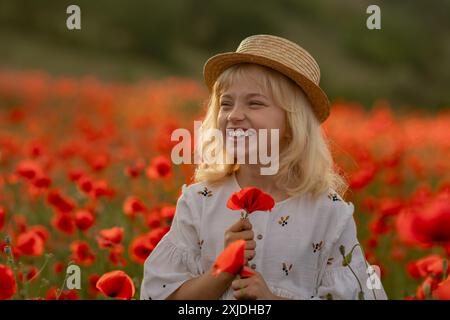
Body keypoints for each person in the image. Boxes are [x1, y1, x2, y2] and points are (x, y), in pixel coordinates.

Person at [140, 34, 388, 300]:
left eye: (255, 103)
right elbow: (161, 295)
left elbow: (358, 296)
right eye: (226, 104)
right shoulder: (199, 202)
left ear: (293, 125)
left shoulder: (328, 212)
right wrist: (222, 270)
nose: (234, 115)